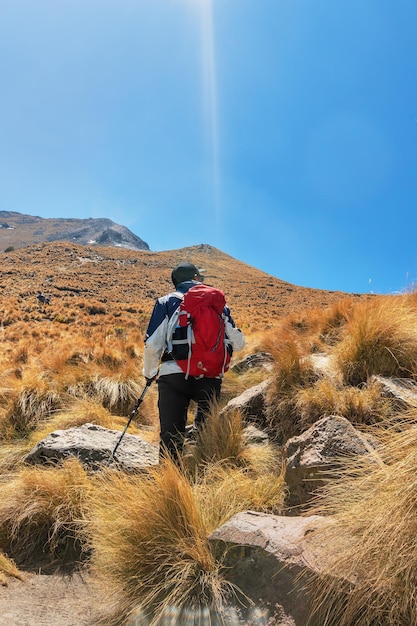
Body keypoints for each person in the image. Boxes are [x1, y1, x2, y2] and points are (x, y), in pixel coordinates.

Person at [143, 261, 245, 461]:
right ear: (196, 278)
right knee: (207, 432)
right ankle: (207, 477)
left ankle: (170, 482)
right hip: (211, 375)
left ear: (176, 282)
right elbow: (239, 343)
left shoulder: (166, 302)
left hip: (174, 373)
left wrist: (150, 373)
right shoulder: (218, 304)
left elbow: (152, 344)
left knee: (171, 435)